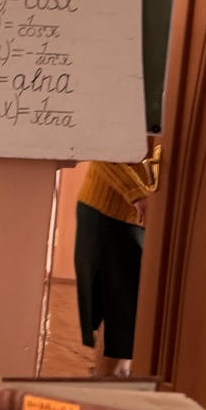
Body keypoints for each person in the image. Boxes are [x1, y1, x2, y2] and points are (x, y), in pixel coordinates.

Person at [74, 147, 160, 377]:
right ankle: (103, 384)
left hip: (137, 214)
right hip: (110, 211)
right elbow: (100, 148)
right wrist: (137, 192)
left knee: (128, 309)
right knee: (119, 311)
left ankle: (117, 376)